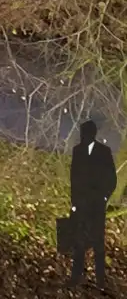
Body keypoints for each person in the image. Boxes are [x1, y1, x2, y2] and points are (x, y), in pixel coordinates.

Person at [70, 118, 118, 286]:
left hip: (97, 204)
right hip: (81, 203)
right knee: (79, 242)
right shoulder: (77, 151)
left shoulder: (104, 152)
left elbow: (112, 177)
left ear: (93, 134)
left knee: (98, 241)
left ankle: (100, 279)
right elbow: (74, 179)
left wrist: (104, 197)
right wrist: (74, 203)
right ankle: (75, 278)